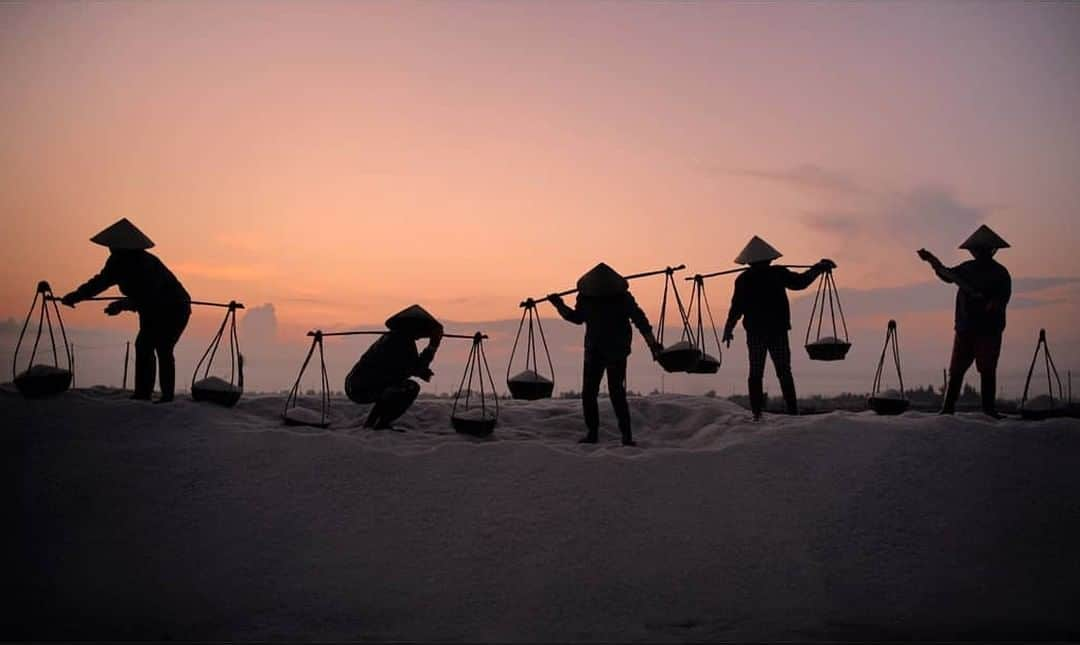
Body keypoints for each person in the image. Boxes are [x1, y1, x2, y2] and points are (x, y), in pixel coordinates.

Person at [61, 218, 191, 403]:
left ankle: (164, 396)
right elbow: (100, 282)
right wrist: (76, 296)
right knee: (145, 346)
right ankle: (144, 393)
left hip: (173, 308)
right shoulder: (116, 262)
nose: (111, 249)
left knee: (161, 347)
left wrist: (122, 305)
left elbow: (149, 295)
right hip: (150, 310)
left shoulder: (145, 263)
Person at [549, 263, 663, 446]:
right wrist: (559, 305)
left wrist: (559, 305)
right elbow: (640, 320)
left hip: (607, 351)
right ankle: (611, 435)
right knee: (607, 393)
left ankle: (608, 434)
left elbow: (576, 318)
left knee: (598, 393)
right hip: (604, 350)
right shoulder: (617, 298)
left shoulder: (599, 298)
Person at [722, 236, 835, 420]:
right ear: (769, 259)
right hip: (775, 331)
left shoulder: (744, 279)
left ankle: (759, 414)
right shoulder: (776, 273)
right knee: (782, 371)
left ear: (749, 261)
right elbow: (800, 282)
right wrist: (817, 269)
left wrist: (729, 328)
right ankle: (789, 411)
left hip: (759, 332)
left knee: (757, 373)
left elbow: (736, 308)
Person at [917, 224, 1012, 418]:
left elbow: (1002, 299)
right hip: (965, 328)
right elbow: (947, 274)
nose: (980, 253)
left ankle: (988, 409)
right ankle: (948, 407)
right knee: (957, 370)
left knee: (987, 369)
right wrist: (932, 261)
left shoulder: (1000, 273)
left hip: (988, 330)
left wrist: (991, 303)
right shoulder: (967, 269)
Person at [345, 305, 443, 430]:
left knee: (393, 387)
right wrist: (433, 346)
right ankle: (380, 424)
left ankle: (374, 423)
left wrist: (418, 370)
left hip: (361, 384)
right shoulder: (400, 341)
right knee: (409, 388)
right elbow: (415, 366)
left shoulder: (397, 338)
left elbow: (408, 367)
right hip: (361, 387)